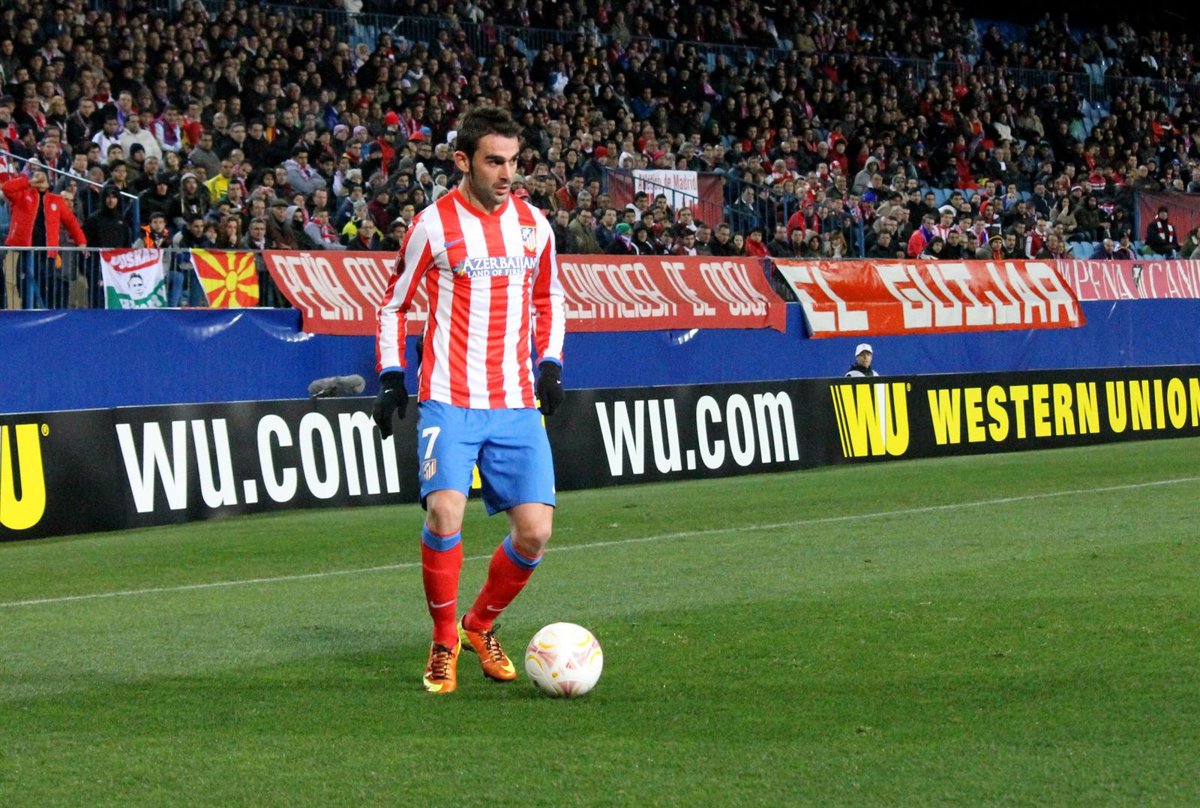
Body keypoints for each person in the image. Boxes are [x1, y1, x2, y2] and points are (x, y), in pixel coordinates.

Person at [372, 106, 566, 696]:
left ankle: (477, 626)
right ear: (463, 161)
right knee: (445, 513)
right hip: (449, 399)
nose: (507, 174)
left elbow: (550, 300)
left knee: (535, 533)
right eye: (494, 161)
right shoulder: (432, 226)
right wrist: (390, 374)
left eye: (514, 161)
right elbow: (393, 305)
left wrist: (551, 362)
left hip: (515, 400)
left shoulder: (534, 226)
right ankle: (442, 642)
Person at [3, 163, 88, 309]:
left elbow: (71, 222)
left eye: (43, 177)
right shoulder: (22, 195)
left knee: (46, 289)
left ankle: (45, 316)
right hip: (25, 251)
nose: (40, 179)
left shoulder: (56, 200)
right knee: (24, 287)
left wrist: (81, 241)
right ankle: (27, 314)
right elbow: (6, 188)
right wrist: (28, 182)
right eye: (36, 176)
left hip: (47, 254)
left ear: (48, 183)